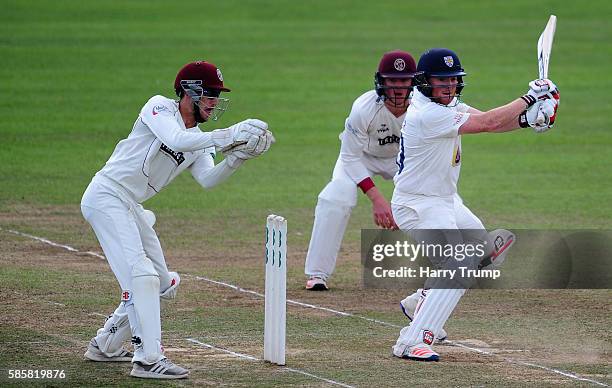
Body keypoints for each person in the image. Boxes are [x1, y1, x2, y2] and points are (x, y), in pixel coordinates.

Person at [80, 60, 274, 379]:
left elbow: (209, 178)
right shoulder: (159, 108)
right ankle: (148, 359)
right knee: (142, 274)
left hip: (129, 204)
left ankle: (106, 344)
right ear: (188, 92)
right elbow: (177, 140)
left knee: (162, 283)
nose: (214, 102)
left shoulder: (199, 138)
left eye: (216, 95)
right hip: (106, 195)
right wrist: (228, 135)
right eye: (209, 94)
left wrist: (237, 158)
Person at [390, 48, 559, 361]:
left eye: (454, 79)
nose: (450, 85)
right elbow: (490, 124)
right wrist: (531, 97)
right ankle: (411, 341)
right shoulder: (426, 114)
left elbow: (486, 119)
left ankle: (419, 302)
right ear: (425, 81)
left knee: (486, 251)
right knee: (456, 263)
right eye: (442, 80)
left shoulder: (447, 105)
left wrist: (529, 119)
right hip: (418, 205)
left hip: (445, 201)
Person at [304, 50, 420, 291]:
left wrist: (405, 202)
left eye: (404, 80)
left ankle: (457, 262)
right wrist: (377, 199)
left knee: (435, 197)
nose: (398, 87)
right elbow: (349, 157)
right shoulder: (364, 108)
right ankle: (317, 274)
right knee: (336, 196)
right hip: (361, 157)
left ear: (414, 81)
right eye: (392, 81)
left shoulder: (423, 107)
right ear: (381, 82)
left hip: (403, 161)